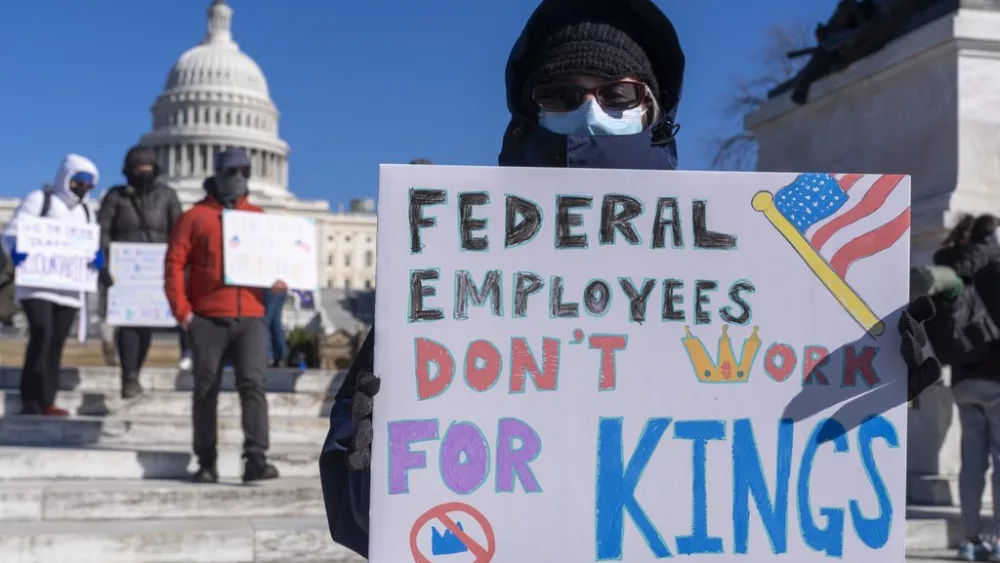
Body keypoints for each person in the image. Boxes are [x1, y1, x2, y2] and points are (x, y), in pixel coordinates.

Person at [318, 0, 942, 557]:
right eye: (559, 95)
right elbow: (366, 527)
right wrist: (365, 450)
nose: (590, 112)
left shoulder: (740, 257)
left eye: (617, 94)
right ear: (526, 111)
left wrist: (876, 381)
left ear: (654, 109)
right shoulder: (454, 264)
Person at [164, 147, 282, 483]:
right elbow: (174, 264)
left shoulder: (259, 219)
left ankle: (256, 458)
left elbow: (275, 264)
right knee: (205, 390)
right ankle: (206, 460)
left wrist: (281, 282)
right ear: (217, 173)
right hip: (207, 318)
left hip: (251, 316)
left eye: (244, 171)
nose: (238, 178)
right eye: (231, 171)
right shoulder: (194, 218)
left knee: (254, 385)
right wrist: (183, 312)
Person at [2, 154, 103, 416]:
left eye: (89, 185)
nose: (83, 189)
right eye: (79, 182)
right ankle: (30, 396)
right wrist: (16, 251)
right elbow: (12, 232)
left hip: (68, 288)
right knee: (41, 332)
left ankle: (47, 399)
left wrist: (95, 256)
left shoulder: (86, 211)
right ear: (65, 177)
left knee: (56, 341)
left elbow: (89, 241)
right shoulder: (40, 200)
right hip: (36, 284)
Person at [930, 215, 1000, 561]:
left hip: (963, 379)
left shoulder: (952, 262)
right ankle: (997, 539)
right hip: (998, 378)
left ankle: (970, 538)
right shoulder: (995, 265)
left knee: (972, 462)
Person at [97, 146, 183, 399]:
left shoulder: (167, 196)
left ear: (156, 170)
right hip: (123, 272)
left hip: (155, 271)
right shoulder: (116, 196)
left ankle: (134, 371)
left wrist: (176, 267)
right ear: (128, 171)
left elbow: (178, 233)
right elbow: (102, 230)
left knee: (145, 327)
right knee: (129, 325)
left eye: (148, 169)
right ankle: (129, 375)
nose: (143, 174)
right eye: (138, 170)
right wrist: (104, 264)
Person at [263, 280, 288, 368]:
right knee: (275, 323)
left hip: (269, 285)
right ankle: (280, 355)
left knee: (266, 323)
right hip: (281, 286)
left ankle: (269, 355)